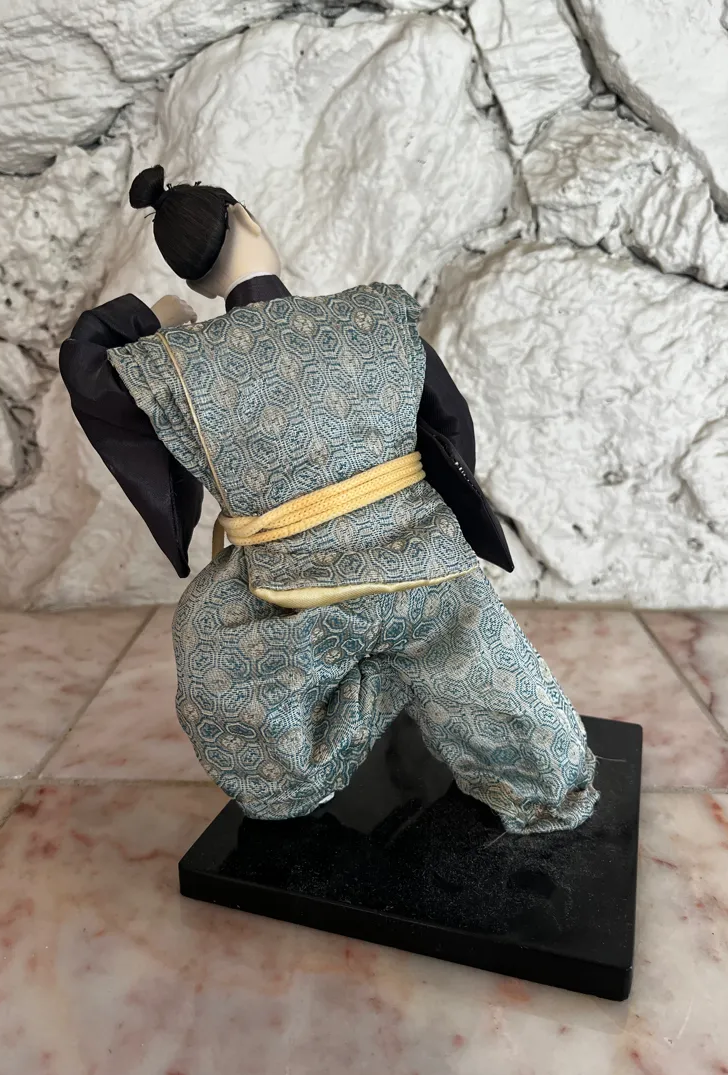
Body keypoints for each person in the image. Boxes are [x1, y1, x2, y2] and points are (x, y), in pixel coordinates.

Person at [59, 165, 598, 833]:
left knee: (217, 668)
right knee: (500, 689)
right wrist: (430, 519)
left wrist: (153, 323)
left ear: (194, 284)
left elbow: (88, 370)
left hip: (291, 594)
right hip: (423, 567)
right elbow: (450, 425)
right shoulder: (373, 316)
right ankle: (547, 787)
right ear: (249, 219)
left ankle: (322, 750)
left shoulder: (180, 362)